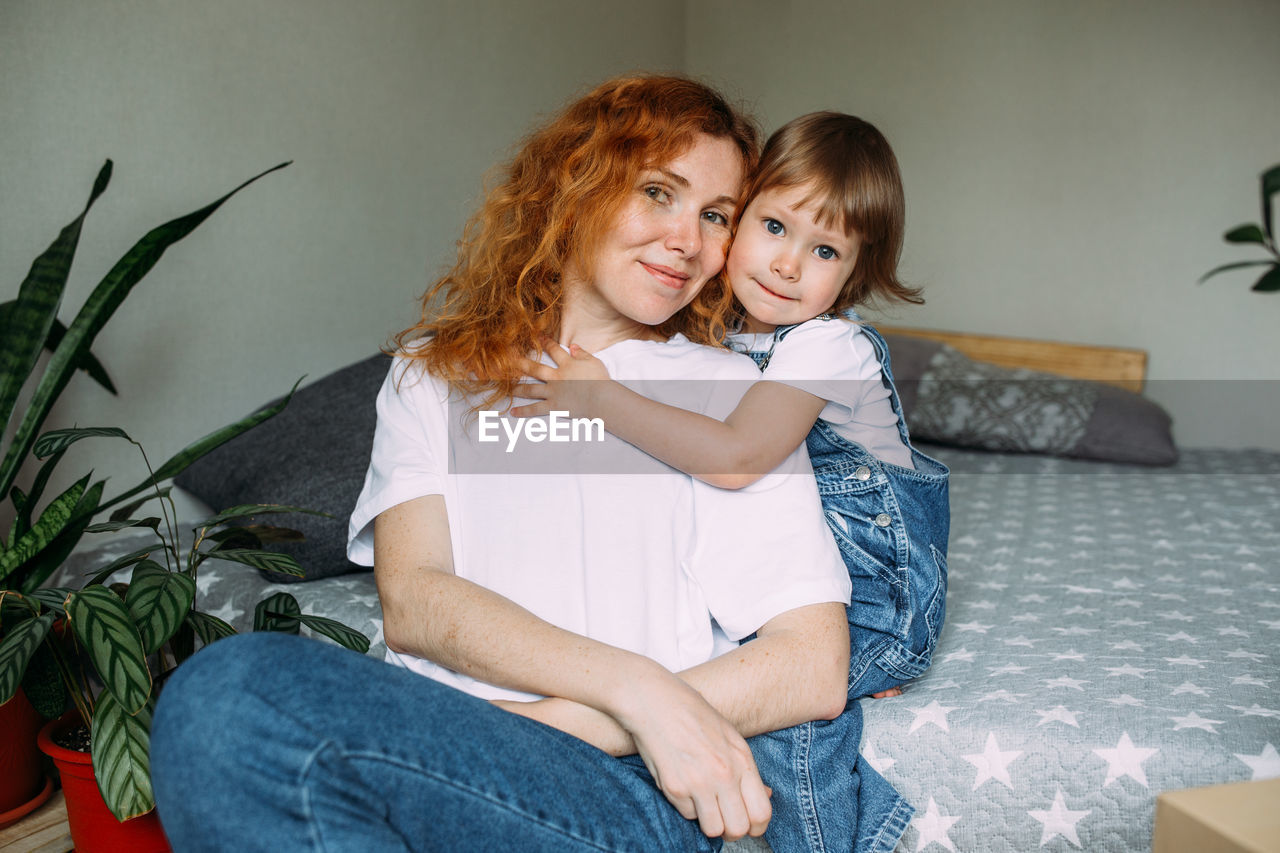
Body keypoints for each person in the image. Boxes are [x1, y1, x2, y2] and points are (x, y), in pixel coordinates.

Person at [150, 78, 911, 852]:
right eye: (658, 192)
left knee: (226, 695)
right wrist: (637, 686)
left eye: (715, 215)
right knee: (218, 697)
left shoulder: (728, 394)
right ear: (577, 189)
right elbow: (415, 598)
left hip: (624, 788)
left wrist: (633, 720)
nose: (687, 239)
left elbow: (810, 664)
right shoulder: (430, 375)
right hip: (450, 750)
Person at [513, 111, 951, 705]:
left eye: (825, 250)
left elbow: (737, 458)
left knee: (740, 702)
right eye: (773, 225)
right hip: (779, 583)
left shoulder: (829, 347)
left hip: (873, 607)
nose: (787, 264)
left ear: (854, 275)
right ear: (738, 220)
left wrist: (601, 399)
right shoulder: (721, 332)